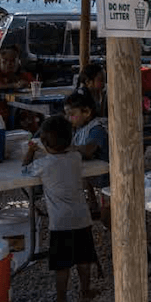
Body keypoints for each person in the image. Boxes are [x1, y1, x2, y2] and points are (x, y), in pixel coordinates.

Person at [22, 115, 99, 302]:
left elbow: (24, 170)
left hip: (60, 223)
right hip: (82, 218)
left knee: (62, 265)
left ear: (45, 143)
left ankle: (62, 299)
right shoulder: (75, 157)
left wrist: (31, 151)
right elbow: (73, 152)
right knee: (84, 259)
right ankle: (85, 291)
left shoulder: (43, 164)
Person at [64, 89, 109, 221]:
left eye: (71, 114)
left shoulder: (97, 128)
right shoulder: (80, 127)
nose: (68, 118)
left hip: (108, 177)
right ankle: (92, 203)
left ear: (87, 112)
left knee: (108, 214)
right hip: (93, 173)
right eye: (66, 114)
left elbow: (88, 151)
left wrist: (66, 148)